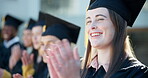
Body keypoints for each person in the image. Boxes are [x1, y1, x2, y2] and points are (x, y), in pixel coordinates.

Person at [45, 0, 148, 78]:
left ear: (118, 26)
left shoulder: (137, 73)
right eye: (88, 21)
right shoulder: (77, 68)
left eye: (100, 19)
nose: (92, 26)